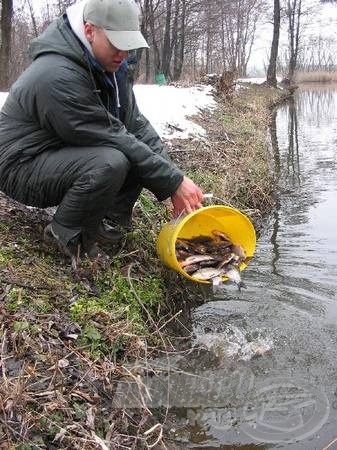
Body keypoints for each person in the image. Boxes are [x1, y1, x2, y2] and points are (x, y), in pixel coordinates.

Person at [0, 0, 203, 267]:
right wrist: (172, 183)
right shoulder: (56, 74)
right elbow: (110, 136)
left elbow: (136, 126)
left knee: (133, 152)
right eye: (115, 43)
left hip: (59, 153)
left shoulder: (111, 67)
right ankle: (66, 234)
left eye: (127, 44)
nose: (123, 53)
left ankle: (107, 227)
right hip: (20, 165)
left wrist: (176, 178)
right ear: (89, 30)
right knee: (112, 160)